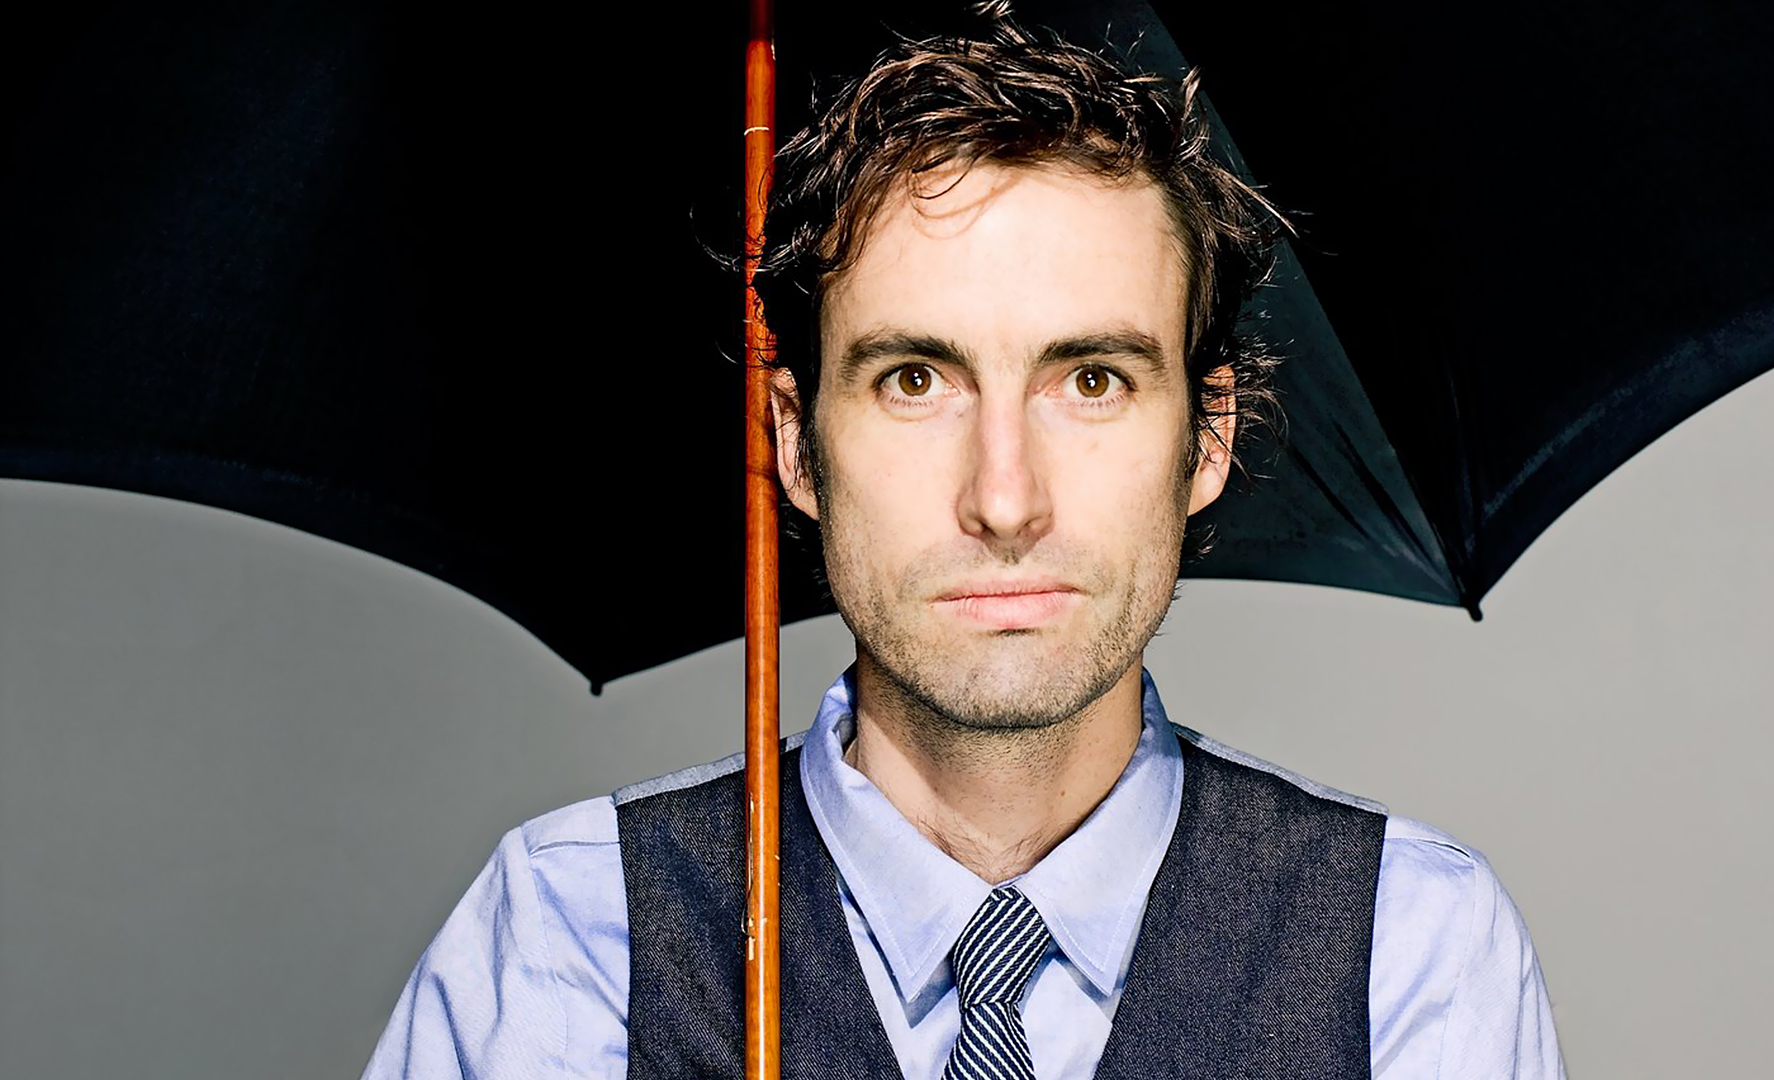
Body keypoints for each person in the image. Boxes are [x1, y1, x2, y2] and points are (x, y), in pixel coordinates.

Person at [363, 8, 1565, 1078]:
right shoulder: (571, 939)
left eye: (1091, 379)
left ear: (1207, 437)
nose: (1004, 498)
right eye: (915, 379)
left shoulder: (1409, 947)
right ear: (794, 443)